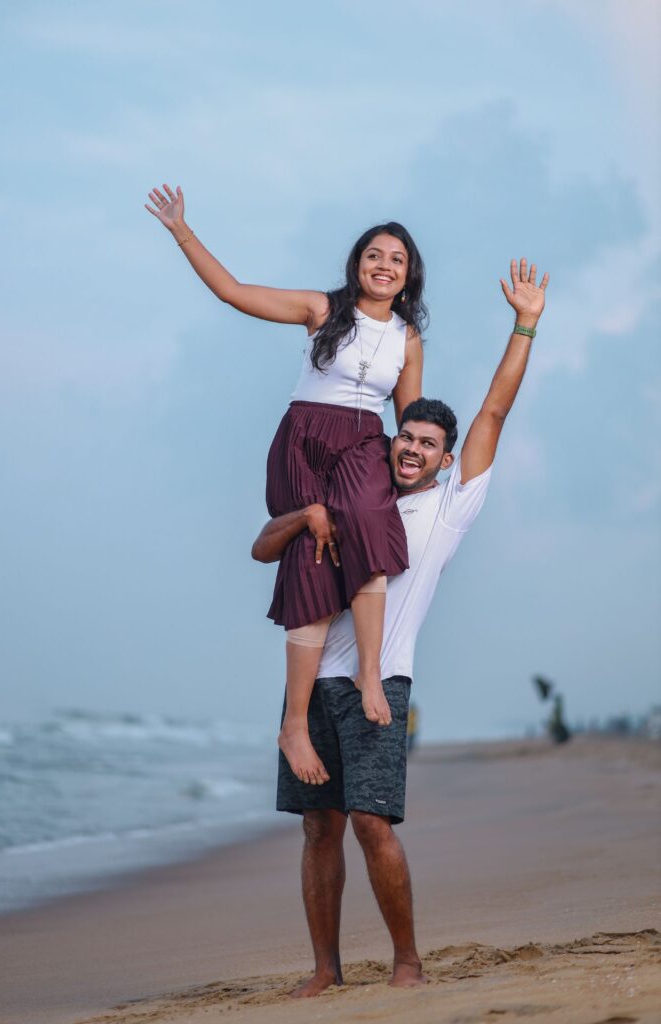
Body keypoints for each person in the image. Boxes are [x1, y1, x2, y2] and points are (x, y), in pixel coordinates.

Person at [251, 258, 548, 995]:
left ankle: (407, 962)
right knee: (317, 827)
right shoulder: (363, 494)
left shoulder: (447, 509)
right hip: (312, 684)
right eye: (404, 437)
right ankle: (324, 970)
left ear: (445, 462)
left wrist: (524, 325)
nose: (411, 448)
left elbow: (492, 414)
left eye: (426, 445)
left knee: (370, 822)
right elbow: (269, 545)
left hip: (381, 681)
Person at [145, 184, 426, 787]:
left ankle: (369, 671)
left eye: (396, 260)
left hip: (362, 443)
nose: (384, 265)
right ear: (358, 265)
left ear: (407, 278)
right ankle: (293, 723)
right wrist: (181, 231)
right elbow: (234, 291)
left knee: (372, 528)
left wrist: (431, 459)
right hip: (304, 438)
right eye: (374, 255)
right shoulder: (323, 309)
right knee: (310, 558)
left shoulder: (407, 339)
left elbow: (408, 419)